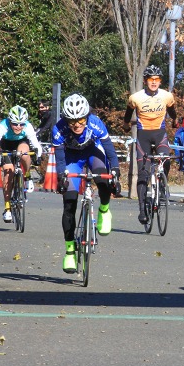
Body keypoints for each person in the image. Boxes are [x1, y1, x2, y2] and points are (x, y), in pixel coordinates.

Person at [53, 94, 121, 273]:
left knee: (103, 178)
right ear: (65, 119)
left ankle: (104, 210)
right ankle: (69, 252)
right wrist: (61, 176)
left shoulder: (95, 123)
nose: (77, 125)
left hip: (93, 152)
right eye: (72, 121)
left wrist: (115, 170)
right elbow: (60, 159)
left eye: (81, 120)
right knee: (69, 202)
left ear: (87, 116)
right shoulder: (58, 129)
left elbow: (109, 150)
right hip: (71, 158)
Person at [123, 65, 177, 224]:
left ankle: (161, 187)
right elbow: (128, 114)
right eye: (151, 79)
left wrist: (175, 121)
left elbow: (172, 112)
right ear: (146, 81)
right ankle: (141, 210)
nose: (154, 82)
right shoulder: (136, 97)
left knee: (166, 159)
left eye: (157, 79)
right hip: (143, 137)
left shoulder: (167, 96)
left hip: (159, 135)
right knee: (143, 173)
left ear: (160, 81)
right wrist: (126, 124)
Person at [0, 105, 43, 223]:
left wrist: (38, 157)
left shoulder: (28, 127)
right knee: (8, 174)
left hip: (21, 143)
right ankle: (7, 209)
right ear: (10, 121)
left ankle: (27, 176)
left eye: (21, 124)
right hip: (6, 145)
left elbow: (37, 146)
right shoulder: (2, 126)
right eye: (15, 124)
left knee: (24, 153)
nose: (18, 127)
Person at [36, 100, 54, 184]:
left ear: (47, 107)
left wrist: (39, 133)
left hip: (51, 139)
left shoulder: (50, 114)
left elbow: (46, 126)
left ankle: (47, 176)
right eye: (39, 107)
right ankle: (44, 176)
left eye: (42, 107)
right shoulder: (44, 115)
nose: (40, 109)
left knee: (47, 157)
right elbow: (41, 126)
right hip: (47, 138)